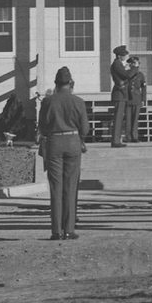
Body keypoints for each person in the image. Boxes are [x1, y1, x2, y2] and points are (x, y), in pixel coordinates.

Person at [37, 66, 87, 239]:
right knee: (71, 186)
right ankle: (69, 229)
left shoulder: (47, 102)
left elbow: (42, 126)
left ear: (56, 84)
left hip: (54, 143)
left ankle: (56, 231)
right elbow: (85, 129)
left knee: (55, 187)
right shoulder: (78, 101)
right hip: (73, 142)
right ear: (71, 83)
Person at [109, 45, 137, 147]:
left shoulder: (118, 64)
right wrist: (134, 67)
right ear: (119, 56)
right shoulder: (117, 64)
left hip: (121, 93)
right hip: (119, 93)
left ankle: (117, 140)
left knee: (119, 118)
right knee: (118, 118)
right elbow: (127, 75)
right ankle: (115, 141)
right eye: (124, 55)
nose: (125, 56)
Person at [126, 55, 147, 142]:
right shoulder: (127, 73)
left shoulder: (140, 75)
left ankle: (134, 136)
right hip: (127, 98)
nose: (133, 65)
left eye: (135, 63)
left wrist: (143, 99)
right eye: (132, 63)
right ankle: (128, 137)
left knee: (135, 119)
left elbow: (144, 88)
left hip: (137, 98)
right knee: (128, 119)